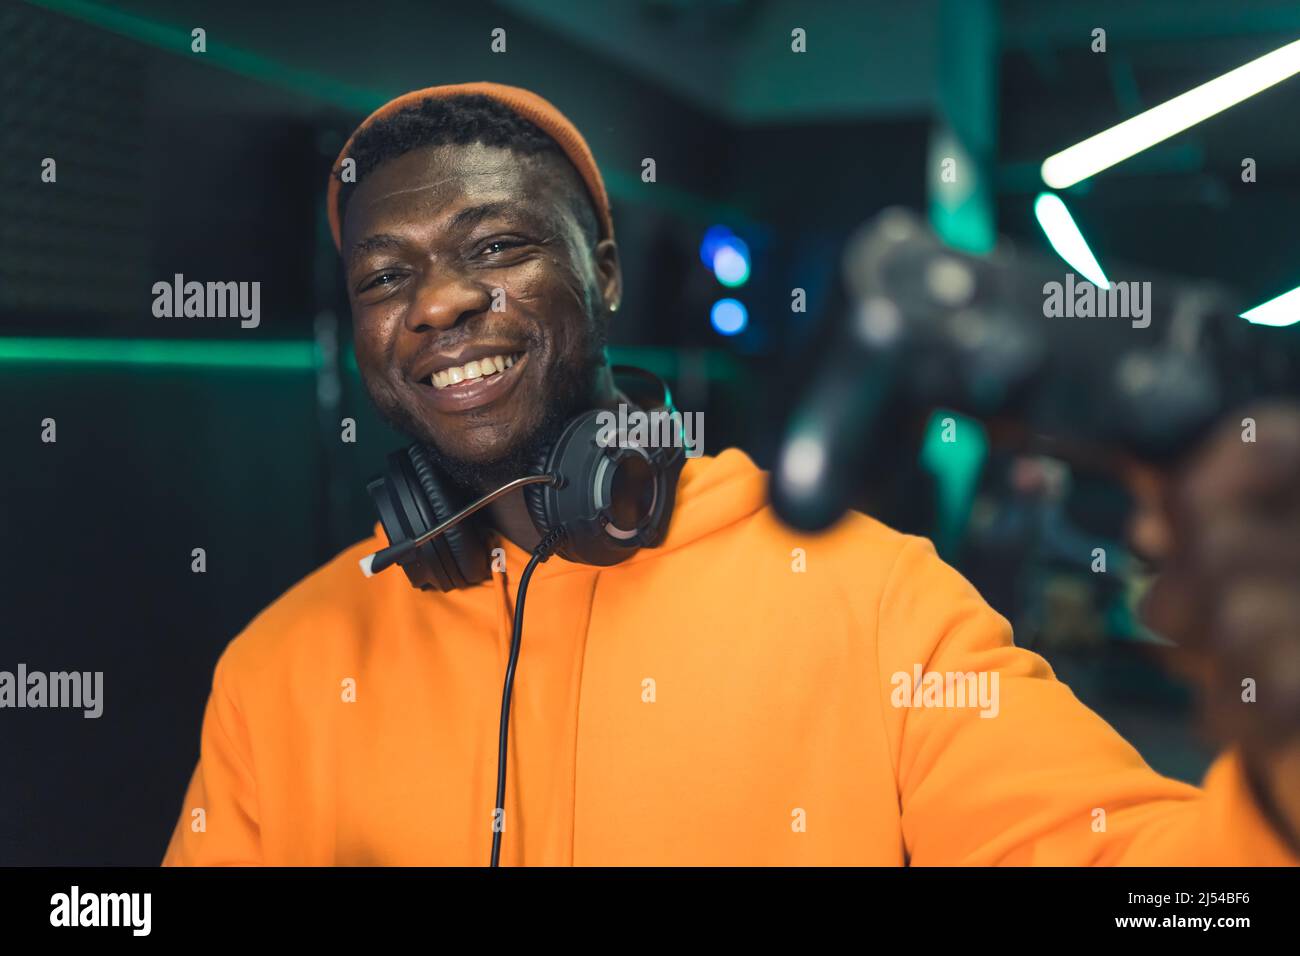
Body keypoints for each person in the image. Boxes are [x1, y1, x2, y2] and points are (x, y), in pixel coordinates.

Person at [162, 82, 1300, 866]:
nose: (440, 302)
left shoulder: (874, 601)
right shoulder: (280, 669)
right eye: (383, 275)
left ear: (603, 272)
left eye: (498, 245)